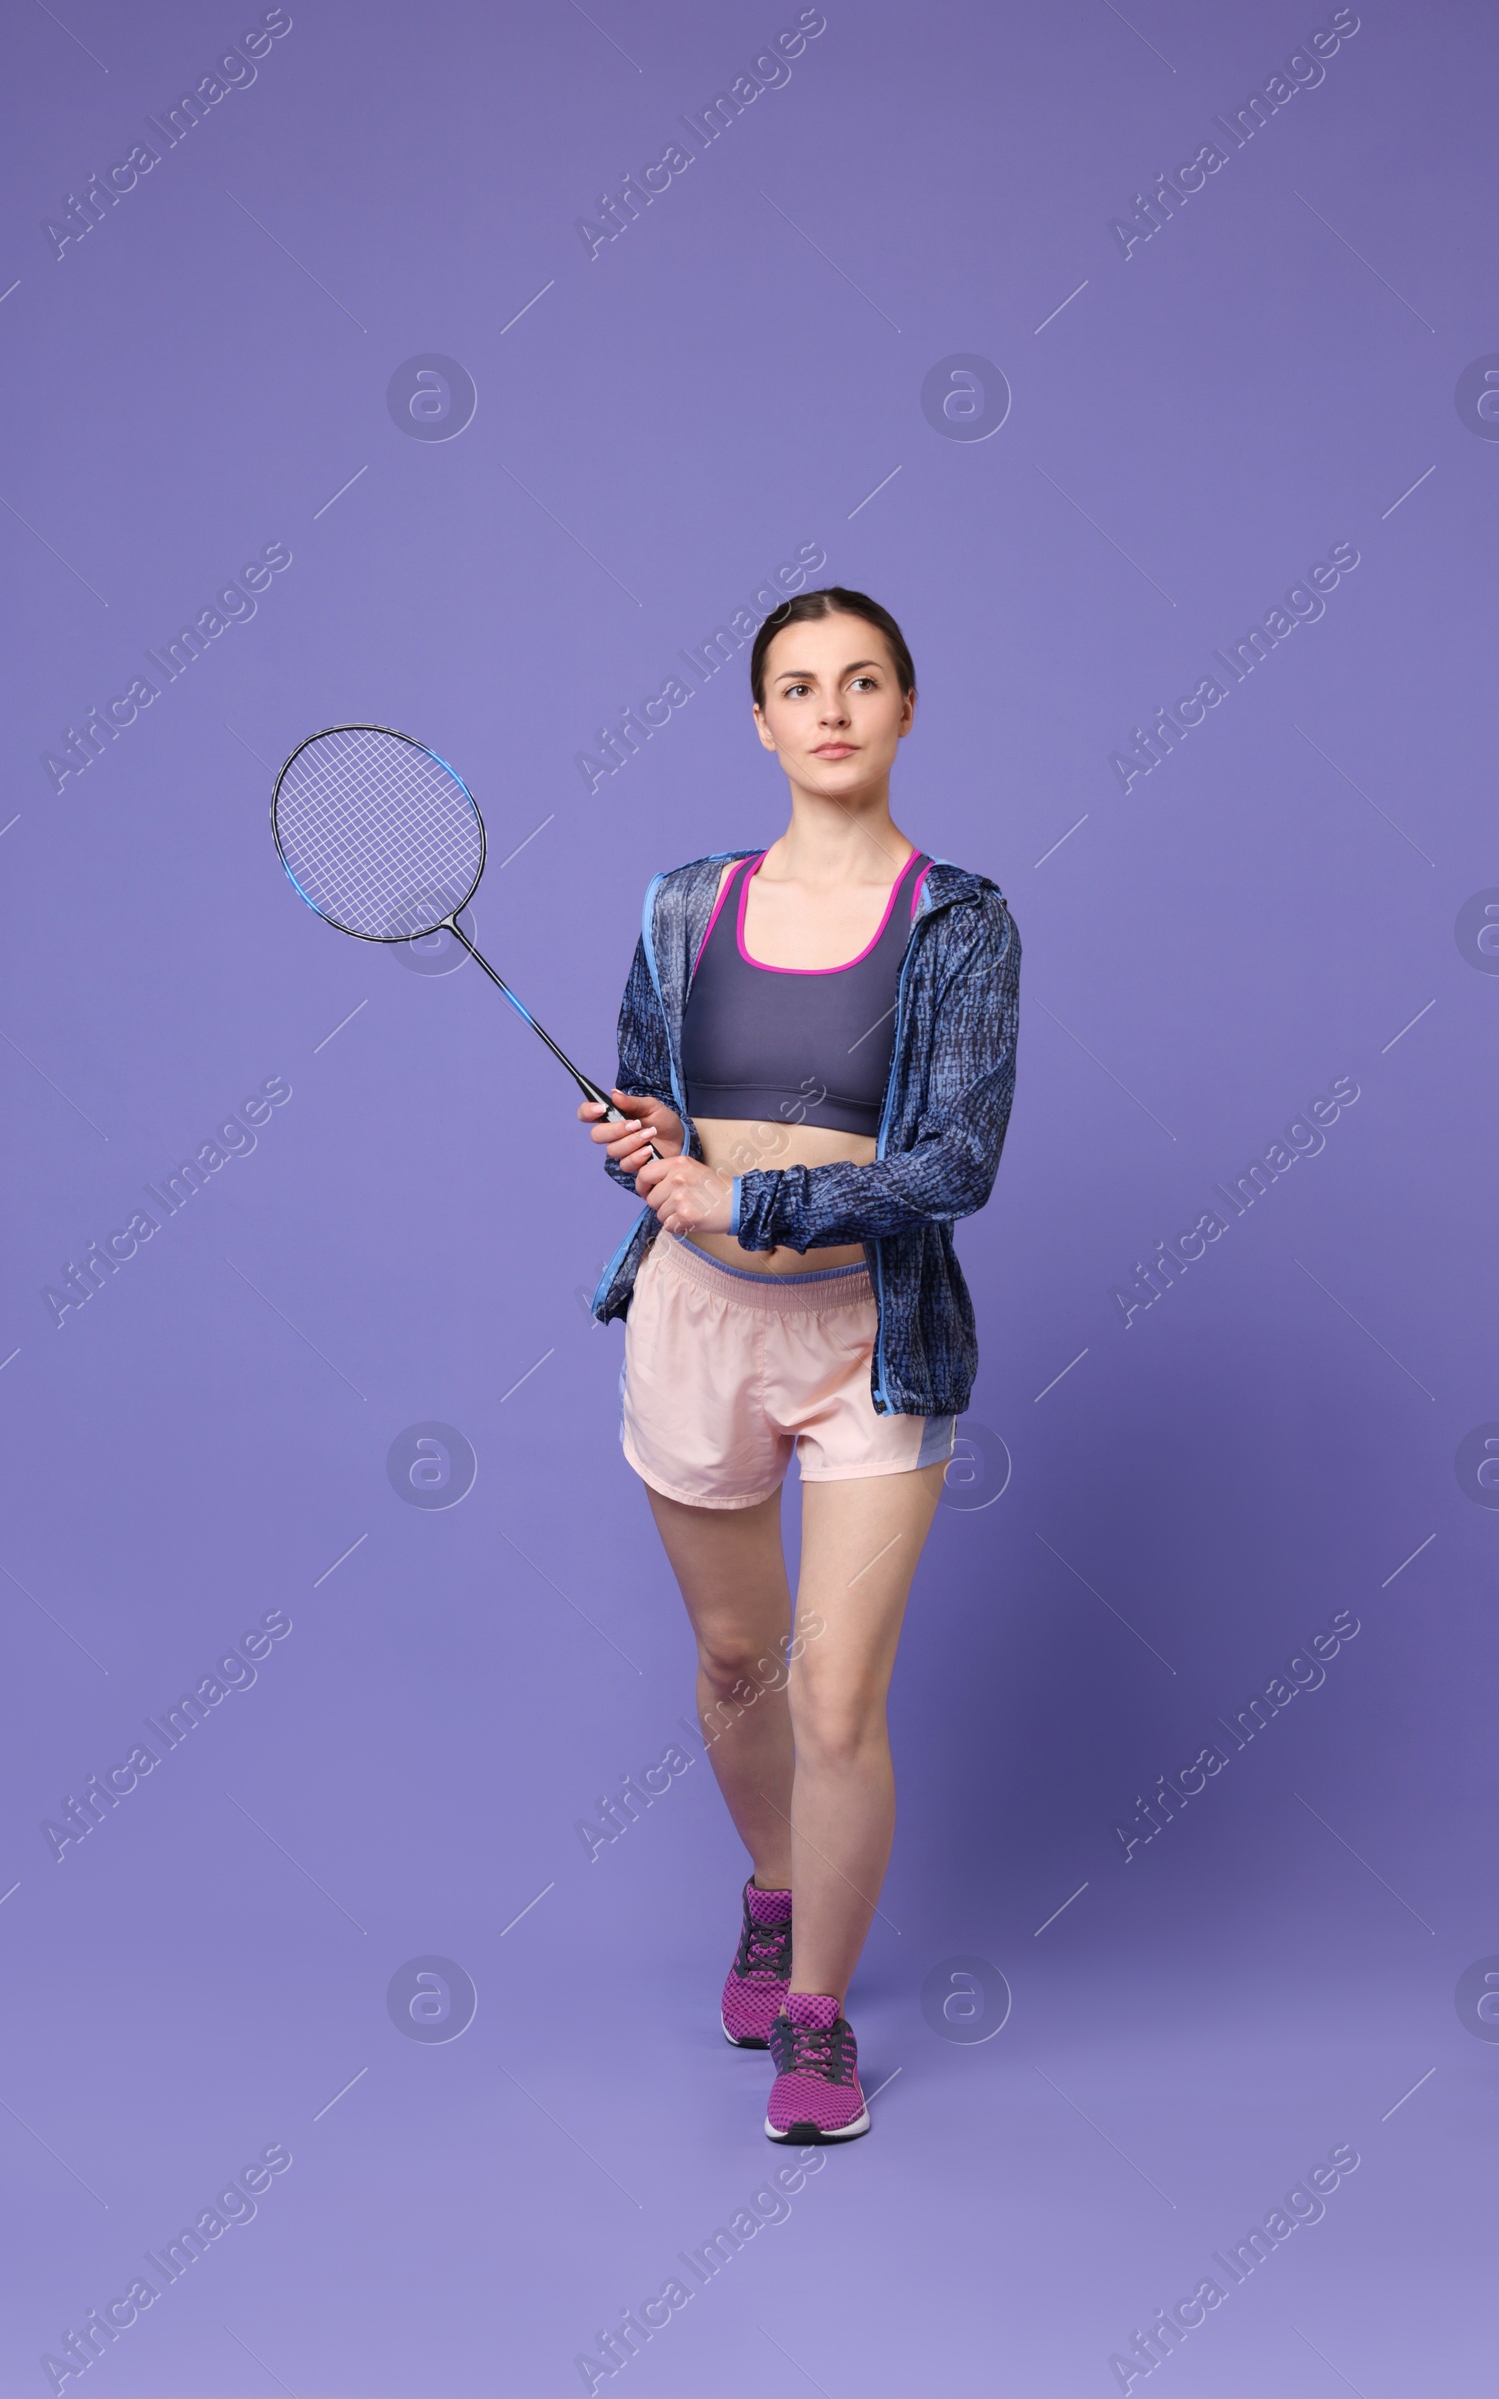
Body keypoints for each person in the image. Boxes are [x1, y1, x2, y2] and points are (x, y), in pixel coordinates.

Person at [580, 588, 1020, 2143]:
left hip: (869, 1341)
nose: (830, 708)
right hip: (697, 1329)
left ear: (907, 707)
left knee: (839, 1695)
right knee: (734, 1665)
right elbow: (657, 1116)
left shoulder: (959, 920)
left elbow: (955, 1163)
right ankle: (772, 1891)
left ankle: (818, 2022)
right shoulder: (683, 906)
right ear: (759, 722)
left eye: (862, 681)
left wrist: (752, 1195)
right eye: (796, 686)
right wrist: (647, 1150)